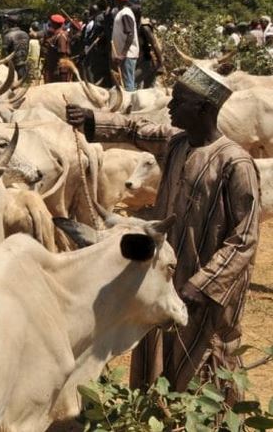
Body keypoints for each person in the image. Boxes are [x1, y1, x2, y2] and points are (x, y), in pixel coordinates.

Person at [65, 66, 259, 401]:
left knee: (208, 359)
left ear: (202, 109)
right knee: (157, 351)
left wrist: (203, 285)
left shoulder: (235, 163)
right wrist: (90, 119)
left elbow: (244, 239)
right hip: (167, 275)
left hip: (209, 291)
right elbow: (134, 128)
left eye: (179, 100)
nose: (170, 106)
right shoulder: (176, 143)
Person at [111, 0, 139, 92]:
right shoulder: (122, 13)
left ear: (118, 0)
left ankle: (130, 106)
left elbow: (130, 34)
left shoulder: (125, 13)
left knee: (128, 85)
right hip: (123, 55)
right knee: (125, 83)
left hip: (127, 55)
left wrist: (123, 54)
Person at [42, 14, 71, 83]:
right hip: (52, 69)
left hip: (59, 72)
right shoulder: (55, 34)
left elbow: (62, 54)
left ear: (55, 24)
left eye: (51, 23)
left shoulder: (61, 36)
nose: (50, 24)